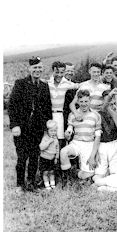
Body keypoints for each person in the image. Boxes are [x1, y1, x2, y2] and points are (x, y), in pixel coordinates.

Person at [9, 56, 52, 192]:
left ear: (42, 69)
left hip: (37, 129)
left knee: (34, 157)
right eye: (35, 68)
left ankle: (31, 183)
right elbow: (12, 106)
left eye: (39, 67)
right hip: (22, 128)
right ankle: (20, 185)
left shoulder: (44, 86)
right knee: (22, 157)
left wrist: (47, 126)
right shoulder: (20, 83)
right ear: (30, 69)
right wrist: (14, 125)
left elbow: (47, 108)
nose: (37, 70)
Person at [60, 90, 102, 181]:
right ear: (78, 101)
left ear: (90, 100)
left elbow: (98, 137)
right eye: (81, 101)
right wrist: (67, 134)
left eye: (86, 101)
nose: (83, 104)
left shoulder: (96, 115)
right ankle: (67, 181)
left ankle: (74, 172)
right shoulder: (72, 115)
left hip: (89, 144)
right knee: (63, 152)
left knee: (88, 175)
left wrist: (92, 156)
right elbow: (69, 132)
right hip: (76, 143)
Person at [47, 61, 78, 146]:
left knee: (60, 141)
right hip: (48, 116)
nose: (59, 75)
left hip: (60, 116)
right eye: (57, 72)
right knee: (48, 141)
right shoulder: (47, 84)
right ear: (52, 71)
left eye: (62, 72)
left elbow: (80, 86)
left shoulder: (67, 84)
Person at [39, 120, 59, 190]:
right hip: (44, 158)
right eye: (51, 131)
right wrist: (49, 142)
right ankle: (47, 185)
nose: (53, 133)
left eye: (55, 131)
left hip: (52, 158)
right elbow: (41, 147)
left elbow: (57, 149)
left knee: (52, 172)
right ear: (47, 131)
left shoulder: (56, 139)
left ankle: (52, 184)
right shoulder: (45, 138)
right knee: (45, 172)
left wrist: (56, 157)